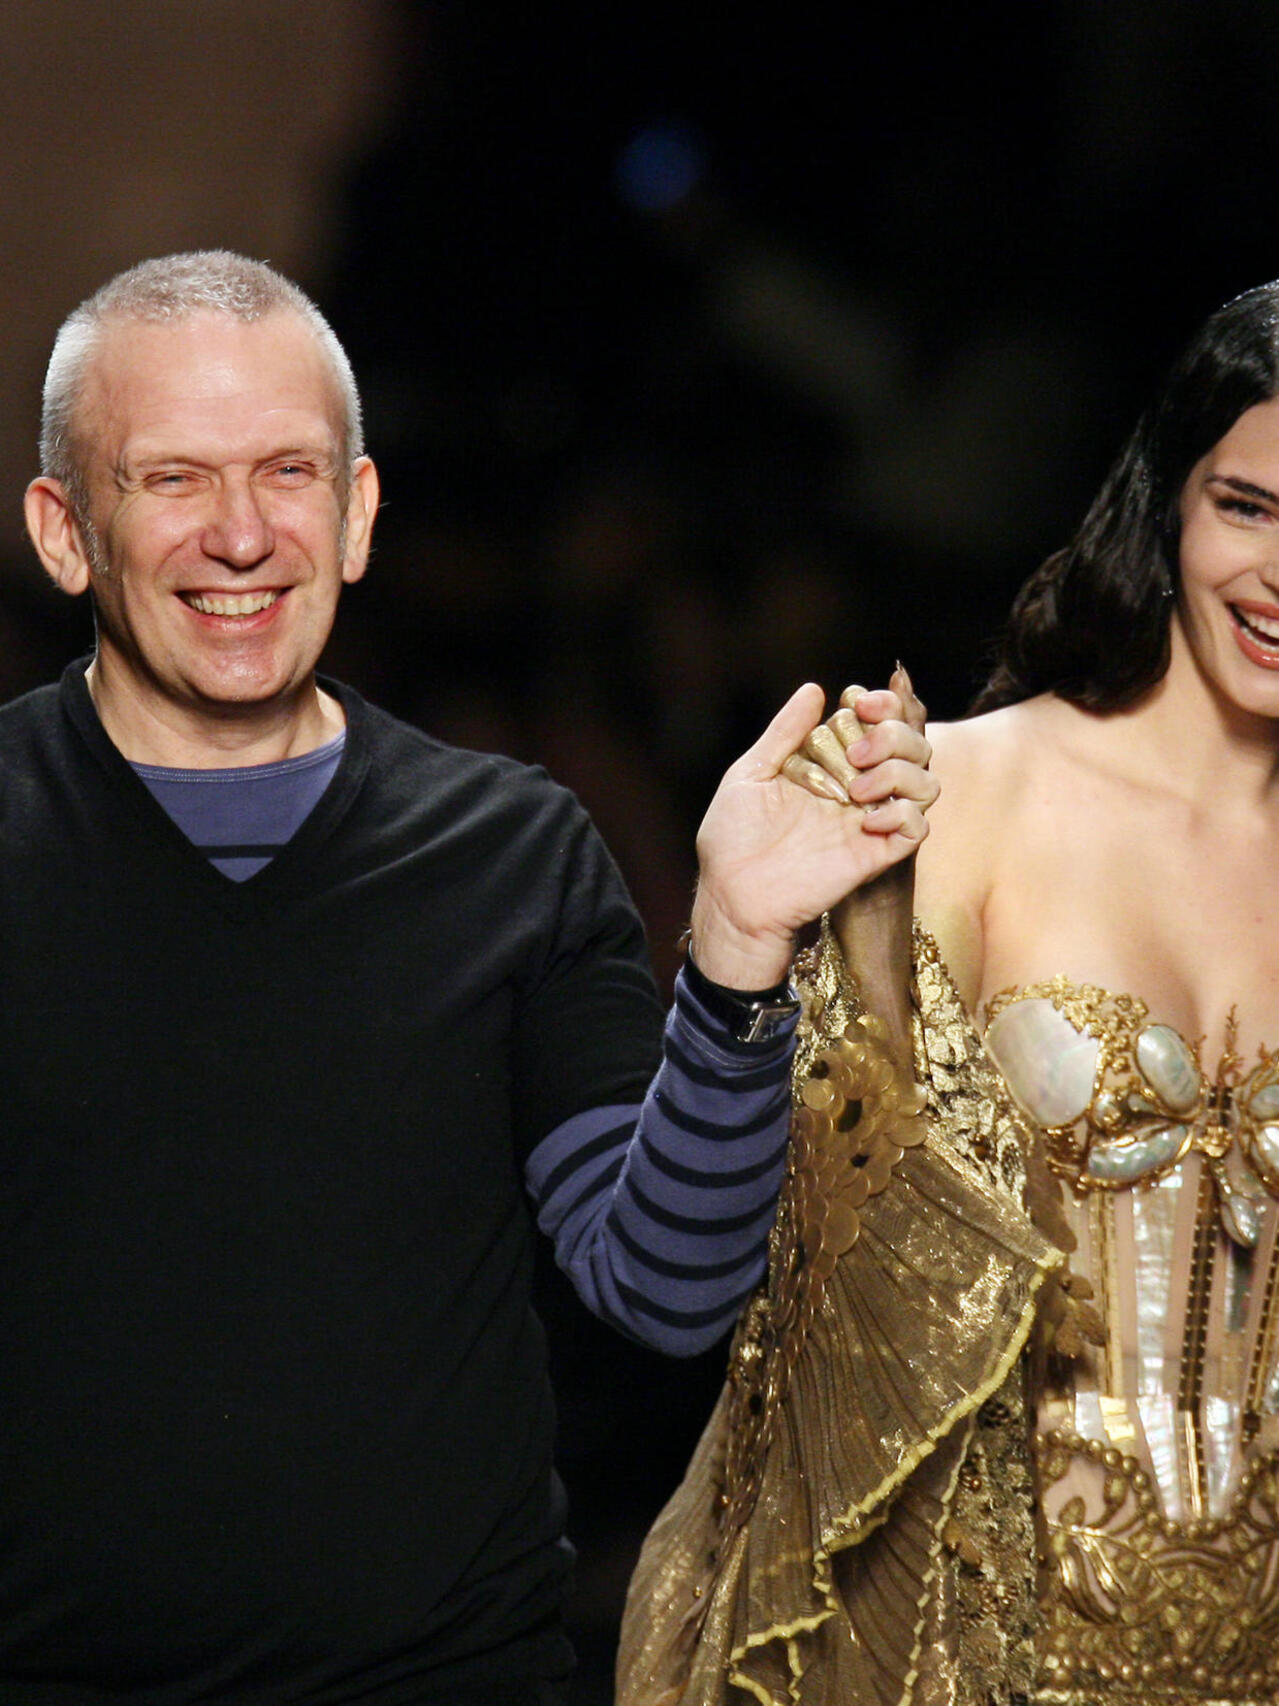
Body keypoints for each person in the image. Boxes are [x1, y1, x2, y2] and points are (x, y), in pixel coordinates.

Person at [0, 250, 936, 1705]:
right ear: (66, 533)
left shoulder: (510, 851)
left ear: (358, 514)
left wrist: (738, 948)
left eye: (289, 472)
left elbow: (668, 1284)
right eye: (172, 478)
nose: (241, 534)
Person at [619, 279, 1279, 1706]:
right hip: (975, 1652)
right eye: (1249, 507)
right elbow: (790, 1283)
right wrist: (796, 941)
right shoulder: (952, 798)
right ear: (1170, 501)